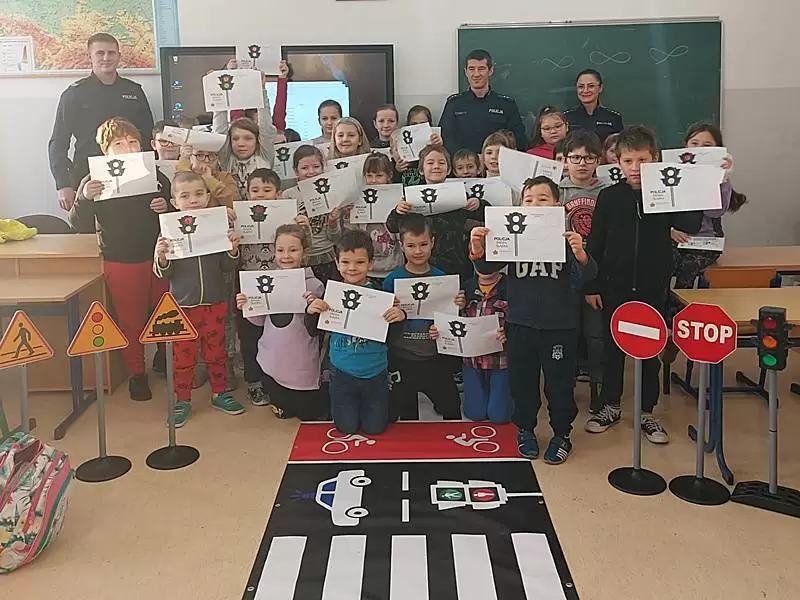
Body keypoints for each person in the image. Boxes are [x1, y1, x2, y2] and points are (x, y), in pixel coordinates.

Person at [583, 126, 703, 442]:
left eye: (643, 160)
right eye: (628, 161)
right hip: (614, 286)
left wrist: (699, 186)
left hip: (652, 286)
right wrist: (592, 286)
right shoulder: (609, 197)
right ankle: (610, 405)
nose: (635, 168)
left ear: (655, 159)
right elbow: (595, 243)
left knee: (650, 350)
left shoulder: (666, 194)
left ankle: (647, 412)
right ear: (618, 162)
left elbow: (689, 224)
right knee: (612, 349)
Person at [470, 176, 596, 464]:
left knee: (559, 384)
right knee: (522, 382)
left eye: (543, 199)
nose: (535, 204)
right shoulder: (514, 233)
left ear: (557, 205)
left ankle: (561, 434)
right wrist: (478, 249)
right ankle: (525, 429)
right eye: (528, 200)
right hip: (520, 324)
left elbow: (588, 277)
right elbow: (488, 266)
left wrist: (581, 255)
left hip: (559, 327)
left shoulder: (568, 240)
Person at [68, 117, 170, 401]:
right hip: (121, 260)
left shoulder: (155, 174)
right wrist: (84, 198)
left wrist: (167, 206)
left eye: (133, 142)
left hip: (158, 257)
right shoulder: (93, 180)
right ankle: (137, 374)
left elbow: (177, 212)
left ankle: (164, 357)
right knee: (131, 320)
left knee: (163, 312)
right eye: (119, 143)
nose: (128, 148)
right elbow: (77, 224)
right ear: (106, 150)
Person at [155, 171, 244, 427]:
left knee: (217, 352)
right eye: (185, 196)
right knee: (183, 357)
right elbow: (162, 272)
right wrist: (162, 257)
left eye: (198, 194)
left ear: (207, 196)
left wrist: (232, 251)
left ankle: (219, 393)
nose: (193, 200)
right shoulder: (167, 232)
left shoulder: (217, 226)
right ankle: (182, 400)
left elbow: (226, 266)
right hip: (182, 306)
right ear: (175, 202)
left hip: (215, 302)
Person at [306, 229, 407, 435]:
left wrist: (399, 317)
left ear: (371, 263)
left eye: (360, 262)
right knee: (346, 428)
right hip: (341, 372)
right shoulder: (330, 295)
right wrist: (311, 312)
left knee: (375, 429)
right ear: (337, 263)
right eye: (345, 262)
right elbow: (313, 331)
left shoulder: (381, 296)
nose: (352, 268)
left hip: (375, 372)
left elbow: (390, 337)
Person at [49, 33, 154, 210]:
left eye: (111, 53)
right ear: (89, 56)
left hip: (132, 176)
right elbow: (58, 141)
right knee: (89, 226)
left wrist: (152, 174)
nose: (106, 58)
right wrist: (63, 183)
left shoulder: (134, 91)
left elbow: (148, 136)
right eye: (100, 53)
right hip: (89, 177)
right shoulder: (74, 94)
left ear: (119, 56)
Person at [235, 224, 326, 420]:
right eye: (280, 250)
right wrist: (247, 305)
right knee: (283, 413)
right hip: (272, 361)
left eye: (293, 250)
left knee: (308, 416)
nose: (286, 256)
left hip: (301, 364)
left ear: (304, 252)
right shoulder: (266, 281)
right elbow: (259, 322)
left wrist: (313, 307)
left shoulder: (314, 285)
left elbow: (316, 329)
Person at [383, 214, 464, 421]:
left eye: (423, 244)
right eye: (411, 245)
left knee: (451, 407)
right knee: (407, 417)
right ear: (401, 246)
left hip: (434, 358)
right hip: (402, 358)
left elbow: (451, 323)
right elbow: (383, 325)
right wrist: (392, 312)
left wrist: (458, 306)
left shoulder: (442, 279)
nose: (418, 251)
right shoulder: (392, 280)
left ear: (432, 243)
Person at [666, 124, 746, 324]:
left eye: (707, 145)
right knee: (664, 262)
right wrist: (670, 230)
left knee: (688, 267)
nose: (699, 149)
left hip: (705, 242)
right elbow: (660, 208)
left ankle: (679, 318)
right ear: (685, 145)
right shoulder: (669, 173)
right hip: (675, 238)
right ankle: (664, 314)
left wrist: (723, 178)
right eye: (694, 143)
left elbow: (715, 212)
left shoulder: (720, 179)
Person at [386, 145, 486, 285]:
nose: (436, 166)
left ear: (449, 169)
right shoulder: (411, 196)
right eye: (430, 162)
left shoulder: (459, 194)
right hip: (421, 265)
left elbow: (486, 216)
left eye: (441, 162)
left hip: (457, 264)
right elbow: (392, 226)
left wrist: (478, 204)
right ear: (421, 170)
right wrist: (398, 211)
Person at [559, 130, 607, 412]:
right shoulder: (556, 191)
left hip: (594, 270)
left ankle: (598, 388)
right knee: (566, 332)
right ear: (565, 160)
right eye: (575, 157)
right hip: (563, 272)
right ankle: (564, 388)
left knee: (595, 335)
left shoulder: (606, 192)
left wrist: (595, 283)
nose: (582, 163)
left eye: (588, 158)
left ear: (598, 160)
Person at [434, 266, 511, 424]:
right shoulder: (465, 288)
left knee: (500, 416)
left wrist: (509, 332)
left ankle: (507, 398)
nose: (484, 266)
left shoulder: (511, 288)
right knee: (475, 414)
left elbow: (521, 318)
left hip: (501, 361)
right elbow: (450, 319)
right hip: (472, 361)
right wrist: (458, 309)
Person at [439, 49, 527, 155]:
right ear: (466, 72)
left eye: (481, 69)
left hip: (496, 162)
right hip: (464, 163)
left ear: (490, 71)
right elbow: (445, 138)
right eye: (471, 69)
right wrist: (469, 159)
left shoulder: (507, 105)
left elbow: (518, 141)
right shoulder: (454, 103)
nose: (476, 74)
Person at [282, 145, 340, 284]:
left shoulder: (330, 193)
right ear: (296, 171)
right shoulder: (288, 195)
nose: (311, 172)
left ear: (323, 168)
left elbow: (335, 237)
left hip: (326, 257)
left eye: (316, 166)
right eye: (304, 168)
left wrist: (333, 222)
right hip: (299, 259)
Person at [565, 69, 623, 143]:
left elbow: (620, 146)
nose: (585, 90)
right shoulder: (567, 117)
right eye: (581, 86)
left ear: (600, 88)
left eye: (591, 86)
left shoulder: (613, 117)